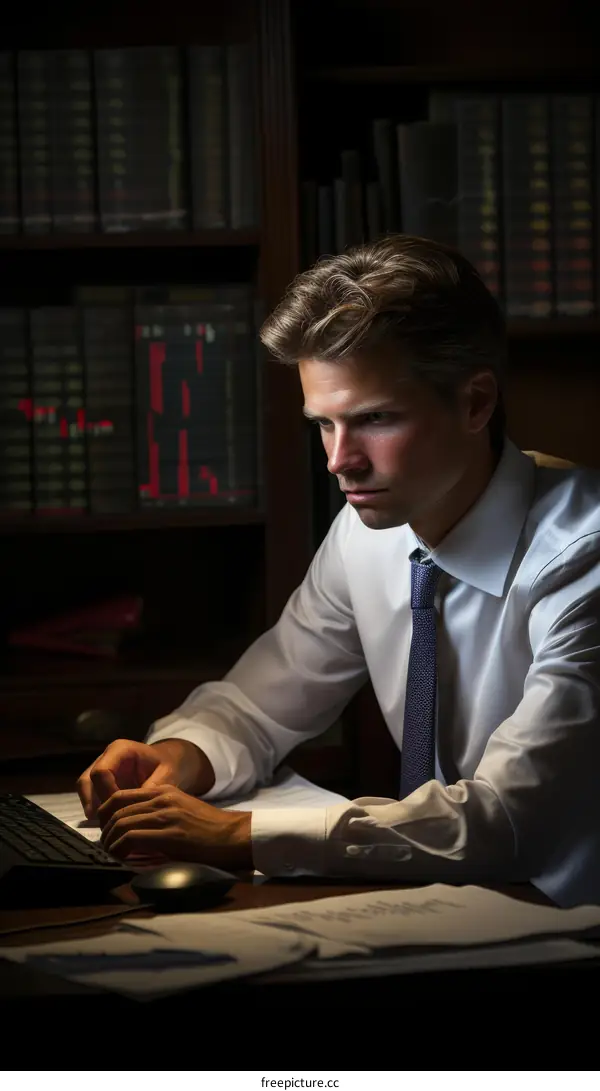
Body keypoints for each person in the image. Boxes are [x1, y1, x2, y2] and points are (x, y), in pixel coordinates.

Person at [77, 235, 600, 908]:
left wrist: (242, 833)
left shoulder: (583, 560)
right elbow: (256, 706)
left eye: (374, 419)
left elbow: (504, 819)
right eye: (323, 424)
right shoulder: (368, 533)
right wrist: (182, 759)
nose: (339, 461)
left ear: (475, 403)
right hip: (445, 924)